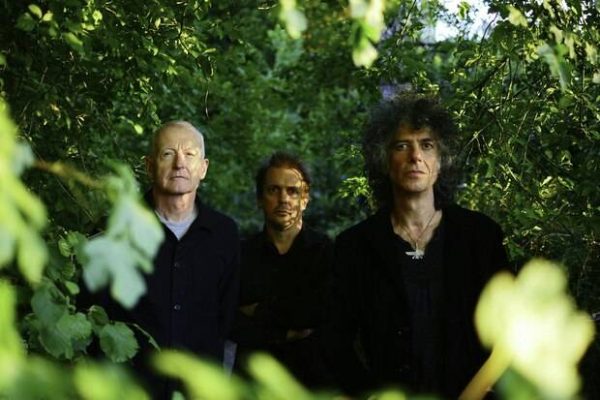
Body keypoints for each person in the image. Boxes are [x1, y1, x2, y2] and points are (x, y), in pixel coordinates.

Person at [325, 94, 508, 398]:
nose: (415, 156)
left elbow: (511, 333)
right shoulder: (354, 246)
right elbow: (334, 341)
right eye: (401, 146)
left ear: (441, 161)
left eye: (426, 145)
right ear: (384, 161)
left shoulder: (480, 236)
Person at [104, 121, 240, 399]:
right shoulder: (115, 229)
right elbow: (95, 312)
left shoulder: (224, 233)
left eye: (190, 154)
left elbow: (226, 316)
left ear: (203, 168)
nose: (180, 164)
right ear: (149, 165)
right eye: (168, 154)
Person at [231, 151, 333, 389]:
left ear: (305, 199)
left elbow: (316, 315)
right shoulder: (241, 254)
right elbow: (230, 323)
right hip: (251, 385)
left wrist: (259, 311)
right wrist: (289, 330)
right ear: (259, 199)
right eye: (273, 190)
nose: (284, 199)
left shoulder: (325, 251)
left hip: (309, 384)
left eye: (293, 191)